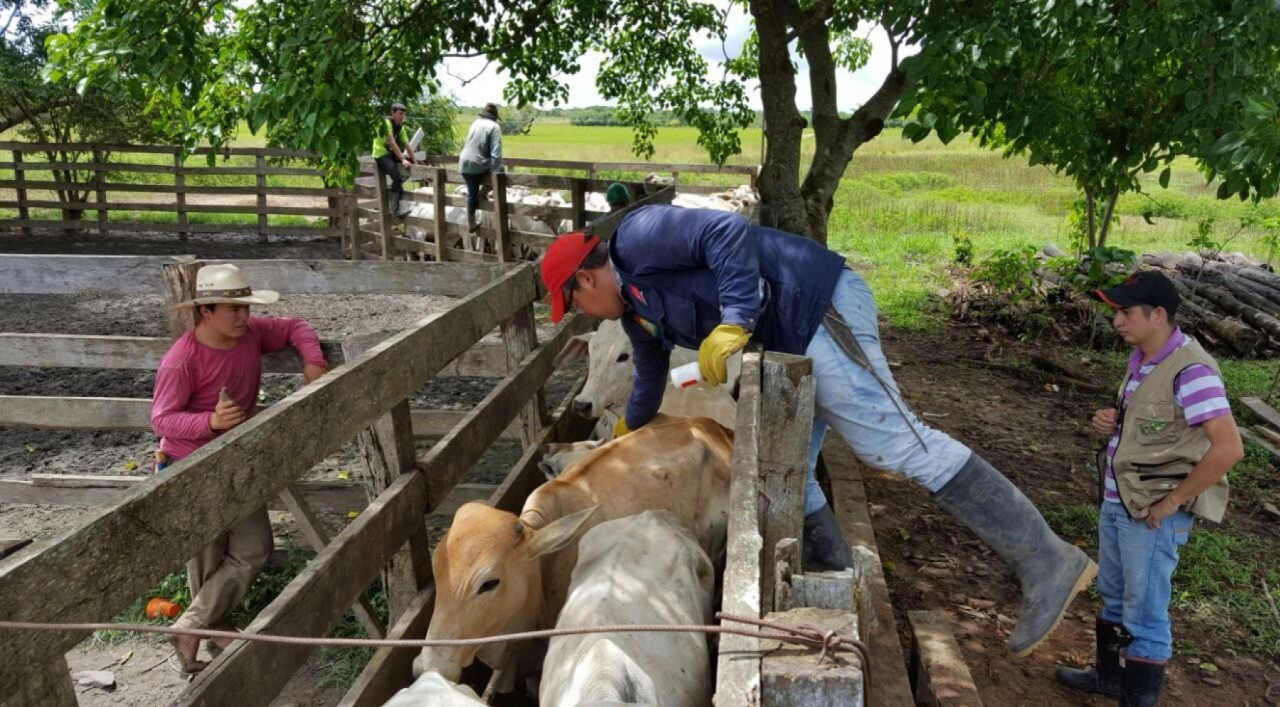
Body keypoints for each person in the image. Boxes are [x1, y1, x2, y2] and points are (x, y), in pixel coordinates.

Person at [539, 206, 1096, 657]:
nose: (584, 311)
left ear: (585, 277)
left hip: (817, 306)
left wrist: (735, 318)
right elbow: (648, 375)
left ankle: (1046, 560)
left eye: (576, 301)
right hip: (793, 335)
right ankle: (840, 585)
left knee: (894, 444)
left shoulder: (638, 237)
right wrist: (625, 427)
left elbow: (725, 230)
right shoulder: (635, 315)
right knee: (784, 471)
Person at [1056, 271, 1242, 706]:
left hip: (1153, 512)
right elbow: (1156, 427)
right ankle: (1109, 678)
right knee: (1115, 596)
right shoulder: (1143, 360)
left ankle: (1136, 697)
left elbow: (1229, 448)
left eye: (1125, 312)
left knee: (1144, 612)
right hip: (1121, 500)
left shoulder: (1192, 371)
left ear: (1158, 315)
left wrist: (1172, 501)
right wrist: (1111, 421)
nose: (1117, 321)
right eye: (1115, 312)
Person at [151, 264, 328, 673]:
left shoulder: (249, 334)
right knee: (207, 554)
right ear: (206, 311)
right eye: (234, 309)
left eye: (246, 307)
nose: (244, 316)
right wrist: (209, 422)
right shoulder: (182, 361)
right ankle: (201, 635)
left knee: (254, 547)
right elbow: (161, 420)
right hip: (191, 466)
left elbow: (294, 326)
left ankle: (191, 626)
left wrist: (313, 362)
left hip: (234, 459)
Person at [458, 102, 503, 232]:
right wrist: (494, 173)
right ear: (494, 117)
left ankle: (471, 222)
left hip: (463, 161)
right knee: (501, 170)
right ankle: (482, 194)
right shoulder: (494, 127)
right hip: (478, 162)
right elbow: (496, 152)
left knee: (471, 193)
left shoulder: (475, 123)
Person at [372, 101, 414, 218]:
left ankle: (394, 190)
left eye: (403, 114)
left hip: (390, 153)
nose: (402, 117)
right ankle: (394, 210)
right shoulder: (386, 123)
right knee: (397, 179)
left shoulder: (400, 127)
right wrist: (403, 160)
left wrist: (415, 164)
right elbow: (391, 142)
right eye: (400, 114)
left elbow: (407, 146)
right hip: (381, 154)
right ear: (393, 113)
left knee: (409, 167)